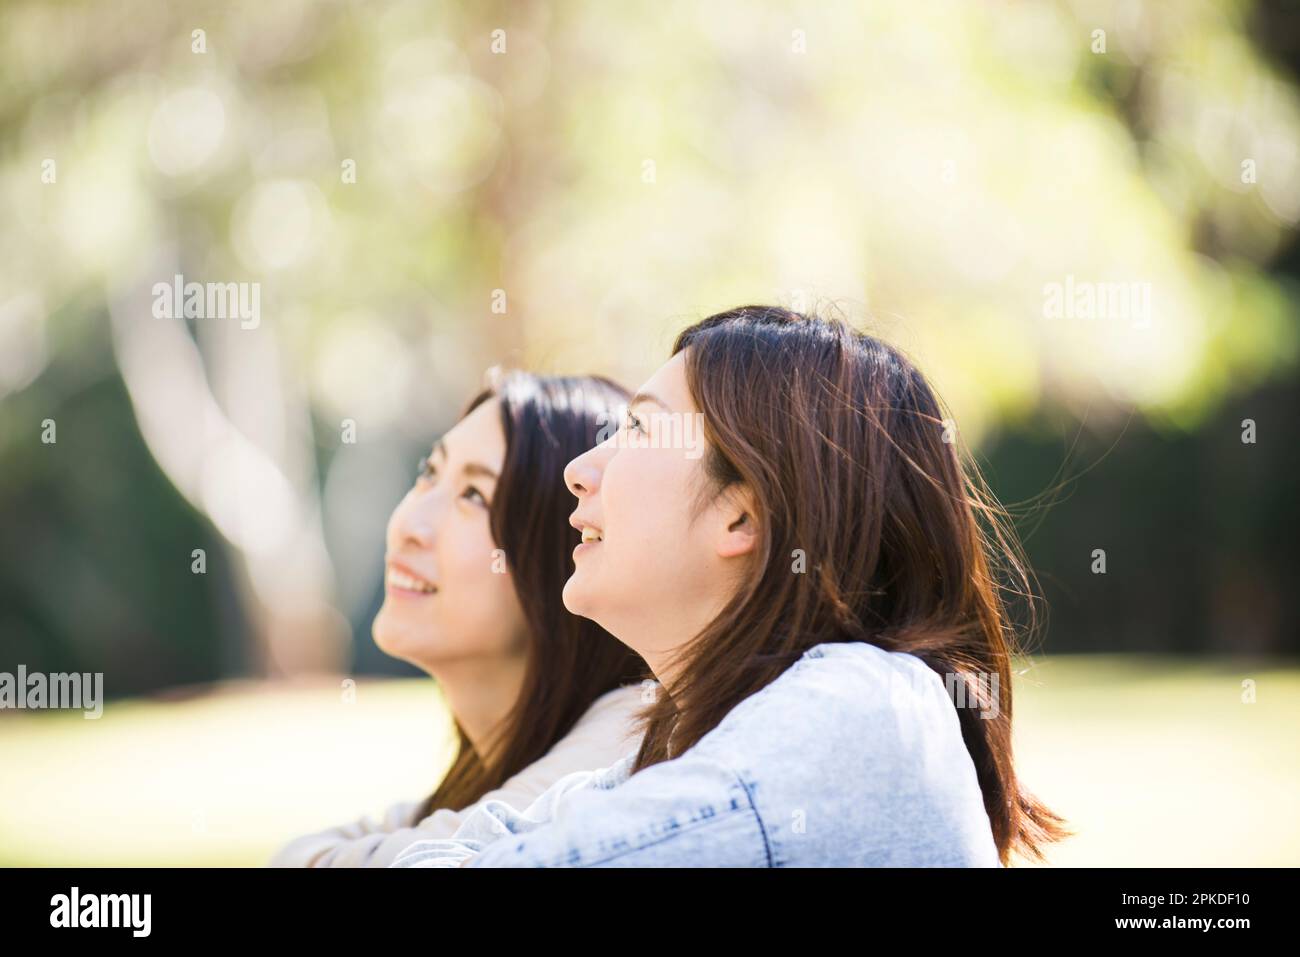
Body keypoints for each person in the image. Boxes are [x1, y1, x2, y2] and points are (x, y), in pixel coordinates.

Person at [391, 305, 1071, 867]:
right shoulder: (671, 748)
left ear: (744, 512)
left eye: (637, 428)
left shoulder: (857, 709)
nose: (580, 469)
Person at [271, 371, 648, 867]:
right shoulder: (489, 780)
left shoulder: (628, 734)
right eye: (429, 473)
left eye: (474, 495)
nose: (410, 524)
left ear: (573, 548)